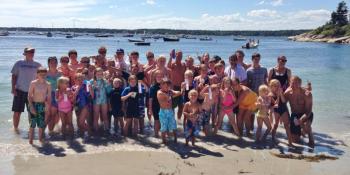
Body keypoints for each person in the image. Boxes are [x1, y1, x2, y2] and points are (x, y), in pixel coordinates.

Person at [11, 47, 41, 132]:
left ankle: (31, 131)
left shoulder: (37, 65)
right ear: (24, 53)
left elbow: (41, 78)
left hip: (32, 92)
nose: (31, 53)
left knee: (31, 113)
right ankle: (15, 129)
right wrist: (13, 88)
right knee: (17, 112)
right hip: (19, 90)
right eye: (29, 52)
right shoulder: (19, 63)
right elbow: (14, 76)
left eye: (32, 52)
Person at [284, 76, 314, 147]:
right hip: (295, 115)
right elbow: (282, 103)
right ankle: (300, 132)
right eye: (292, 83)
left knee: (307, 128)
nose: (294, 85)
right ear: (290, 83)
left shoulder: (307, 94)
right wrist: (286, 117)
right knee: (295, 140)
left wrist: (301, 120)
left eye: (296, 83)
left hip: (306, 114)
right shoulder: (288, 93)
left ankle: (310, 134)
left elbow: (309, 110)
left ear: (300, 84)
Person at [27, 67, 51, 144]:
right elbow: (29, 95)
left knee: (41, 124)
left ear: (46, 74)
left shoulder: (48, 84)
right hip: (33, 104)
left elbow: (49, 97)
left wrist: (47, 106)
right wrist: (31, 106)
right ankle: (30, 141)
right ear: (37, 74)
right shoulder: (33, 83)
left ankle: (40, 140)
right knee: (32, 124)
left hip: (42, 105)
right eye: (40, 74)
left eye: (44, 74)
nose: (42, 76)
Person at [157, 78, 182, 144]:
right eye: (165, 86)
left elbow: (179, 92)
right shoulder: (159, 92)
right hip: (163, 112)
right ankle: (164, 141)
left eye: (168, 86)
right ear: (161, 86)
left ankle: (176, 140)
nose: (167, 87)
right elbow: (167, 96)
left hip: (170, 111)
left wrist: (172, 92)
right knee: (163, 127)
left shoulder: (169, 91)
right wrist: (172, 93)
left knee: (174, 125)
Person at [269, 79, 293, 146]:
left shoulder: (281, 92)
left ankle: (290, 142)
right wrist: (278, 95)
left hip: (283, 109)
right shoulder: (270, 95)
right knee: (275, 124)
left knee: (286, 125)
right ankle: (273, 138)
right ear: (271, 86)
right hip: (276, 110)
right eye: (275, 86)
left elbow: (284, 101)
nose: (277, 87)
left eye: (278, 85)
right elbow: (275, 103)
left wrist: (281, 94)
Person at [167, 50, 186, 120]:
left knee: (181, 106)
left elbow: (186, 75)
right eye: (178, 55)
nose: (179, 57)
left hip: (181, 88)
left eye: (181, 55)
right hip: (173, 87)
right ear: (175, 55)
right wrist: (170, 57)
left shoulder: (183, 65)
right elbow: (167, 66)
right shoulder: (172, 64)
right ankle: (172, 120)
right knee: (172, 105)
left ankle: (178, 120)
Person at [91, 68, 111, 134]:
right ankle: (95, 130)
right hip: (96, 101)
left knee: (105, 115)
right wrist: (93, 87)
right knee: (96, 116)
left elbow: (109, 91)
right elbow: (89, 93)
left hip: (104, 100)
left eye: (101, 74)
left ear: (103, 74)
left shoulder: (104, 81)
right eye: (98, 74)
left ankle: (107, 130)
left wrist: (108, 85)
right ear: (95, 74)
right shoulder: (92, 81)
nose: (99, 75)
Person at [46, 57, 62, 135]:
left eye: (55, 62)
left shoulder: (60, 73)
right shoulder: (45, 72)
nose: (53, 64)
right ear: (48, 63)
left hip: (58, 94)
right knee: (51, 113)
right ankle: (50, 131)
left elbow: (62, 84)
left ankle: (54, 130)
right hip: (48, 95)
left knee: (57, 114)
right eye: (51, 62)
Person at [148, 70, 163, 137]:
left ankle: (162, 135)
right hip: (155, 106)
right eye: (157, 76)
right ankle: (156, 135)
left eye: (160, 76)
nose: (159, 78)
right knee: (156, 120)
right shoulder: (152, 87)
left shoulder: (164, 85)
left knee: (162, 120)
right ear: (155, 77)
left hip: (163, 106)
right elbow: (150, 99)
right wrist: (150, 109)